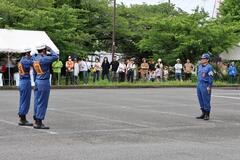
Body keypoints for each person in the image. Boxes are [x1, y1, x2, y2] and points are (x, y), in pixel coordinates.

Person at [32, 45, 58, 129]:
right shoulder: (44, 59)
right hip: (43, 82)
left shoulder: (35, 58)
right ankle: (39, 121)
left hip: (37, 81)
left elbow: (34, 72)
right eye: (46, 50)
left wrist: (35, 80)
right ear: (43, 50)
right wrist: (50, 49)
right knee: (42, 102)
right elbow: (55, 56)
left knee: (37, 101)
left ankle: (36, 118)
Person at [17, 48, 33, 126]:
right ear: (26, 53)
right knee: (25, 100)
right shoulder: (25, 61)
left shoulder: (20, 60)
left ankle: (21, 116)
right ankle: (23, 119)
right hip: (25, 81)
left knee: (22, 100)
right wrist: (31, 57)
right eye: (29, 53)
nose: (30, 54)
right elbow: (33, 63)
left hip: (22, 81)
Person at [196, 53, 214, 121]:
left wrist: (209, 86)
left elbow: (211, 77)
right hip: (199, 84)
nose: (202, 60)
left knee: (206, 99)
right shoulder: (200, 66)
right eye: (201, 58)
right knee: (200, 99)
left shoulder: (209, 67)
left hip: (205, 84)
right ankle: (203, 113)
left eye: (203, 58)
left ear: (207, 60)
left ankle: (207, 114)